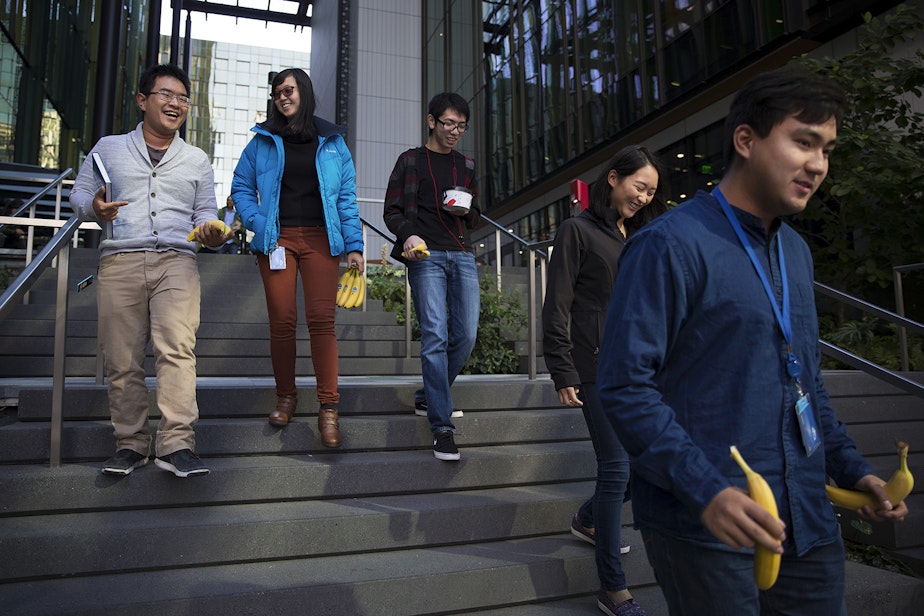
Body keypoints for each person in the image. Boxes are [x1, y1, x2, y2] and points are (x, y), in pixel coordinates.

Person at [596, 65, 909, 615]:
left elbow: (806, 384)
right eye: (804, 142)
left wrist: (853, 469)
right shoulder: (667, 245)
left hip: (808, 522)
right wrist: (706, 490)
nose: (818, 164)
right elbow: (624, 386)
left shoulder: (796, 252)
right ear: (746, 139)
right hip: (704, 530)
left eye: (827, 149)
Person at [70, 64, 231, 478]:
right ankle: (131, 444)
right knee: (122, 358)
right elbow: (81, 192)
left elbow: (205, 212)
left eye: (182, 98)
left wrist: (211, 232)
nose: (175, 104)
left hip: (177, 261)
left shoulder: (196, 159)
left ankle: (176, 444)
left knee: (177, 350)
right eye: (166, 95)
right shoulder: (108, 148)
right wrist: (95, 209)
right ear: (143, 100)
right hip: (120, 260)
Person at [542, 146, 667, 616]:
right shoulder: (577, 230)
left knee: (645, 464)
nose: (644, 196)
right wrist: (562, 367)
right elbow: (557, 303)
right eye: (640, 186)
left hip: (637, 368)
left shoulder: (637, 235)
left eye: (651, 192)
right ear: (613, 178)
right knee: (616, 467)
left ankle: (590, 517)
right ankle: (613, 589)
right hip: (592, 363)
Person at [231, 68, 363, 449]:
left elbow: (346, 198)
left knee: (322, 322)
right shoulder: (263, 140)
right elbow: (241, 185)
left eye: (288, 90)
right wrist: (257, 221)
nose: (282, 97)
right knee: (282, 321)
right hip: (277, 240)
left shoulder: (333, 141)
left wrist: (354, 244)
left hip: (323, 240)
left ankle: (328, 407)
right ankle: (286, 396)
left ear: (303, 91)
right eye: (276, 93)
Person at [383, 92, 480, 461]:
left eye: (461, 126)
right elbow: (391, 210)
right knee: (436, 333)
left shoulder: (466, 165)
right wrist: (408, 234)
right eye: (449, 123)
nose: (455, 131)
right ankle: (442, 426)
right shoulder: (410, 161)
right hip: (424, 255)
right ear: (432, 121)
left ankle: (427, 395)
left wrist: (468, 205)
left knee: (467, 334)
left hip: (461, 253)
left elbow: (474, 216)